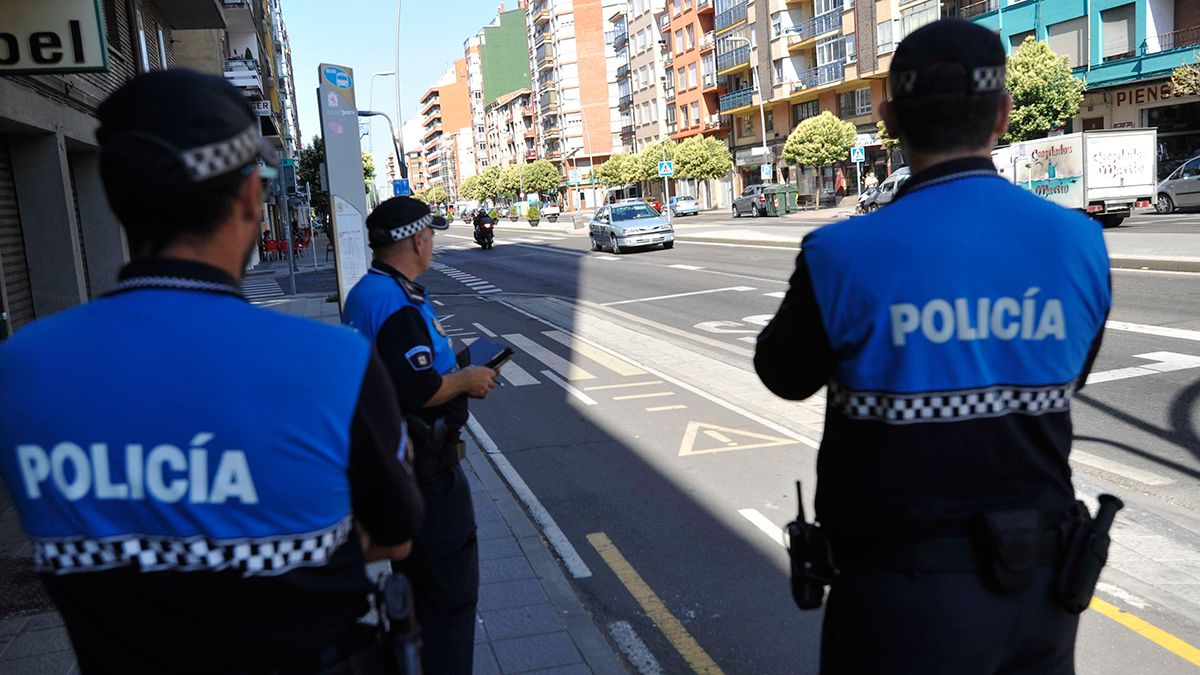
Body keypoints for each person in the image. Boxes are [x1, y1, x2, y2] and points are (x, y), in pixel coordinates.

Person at [0, 70, 425, 674]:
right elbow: (397, 535)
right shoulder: (334, 363)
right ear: (251, 195)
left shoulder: (19, 366)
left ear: (119, 197)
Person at [755, 20, 1111, 674]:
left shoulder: (841, 254)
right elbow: (1070, 372)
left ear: (888, 118)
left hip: (900, 601)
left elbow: (781, 374)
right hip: (1043, 592)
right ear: (1004, 113)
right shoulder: (1080, 242)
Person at [342, 197, 498, 675]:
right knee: (447, 605)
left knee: (419, 600)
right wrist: (468, 381)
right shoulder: (397, 304)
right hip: (429, 474)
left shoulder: (368, 291)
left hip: (399, 468)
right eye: (429, 235)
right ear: (417, 240)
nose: (430, 242)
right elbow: (418, 387)